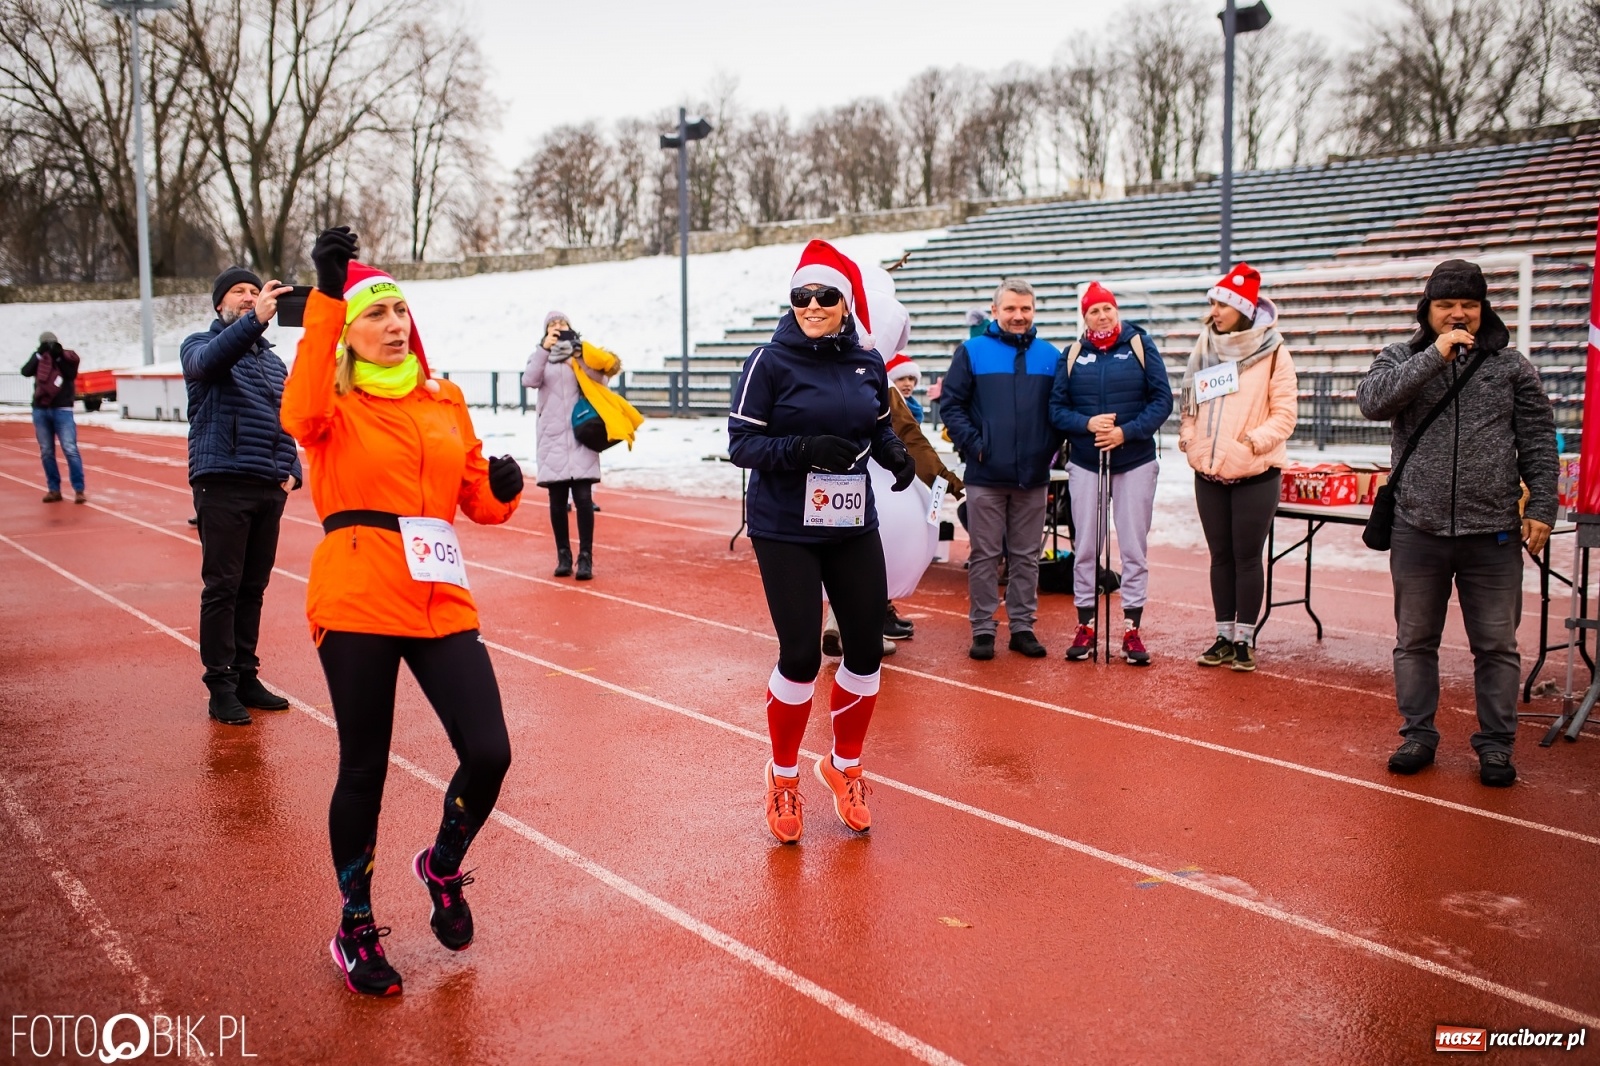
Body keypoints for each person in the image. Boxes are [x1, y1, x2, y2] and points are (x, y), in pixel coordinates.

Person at [280, 228, 525, 997]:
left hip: (438, 591)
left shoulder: (443, 399)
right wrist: (324, 296)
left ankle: (441, 865)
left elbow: (479, 502)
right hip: (356, 588)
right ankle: (355, 924)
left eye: (400, 312)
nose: (394, 325)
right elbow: (298, 410)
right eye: (376, 315)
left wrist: (508, 486)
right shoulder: (332, 403)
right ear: (347, 333)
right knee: (365, 765)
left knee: (489, 752)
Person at [729, 239, 916, 844]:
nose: (812, 305)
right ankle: (783, 776)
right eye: (801, 296)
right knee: (802, 657)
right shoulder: (769, 361)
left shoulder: (865, 362)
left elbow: (878, 423)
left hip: (849, 518)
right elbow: (742, 446)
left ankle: (843, 764)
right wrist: (803, 450)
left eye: (825, 296)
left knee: (865, 649)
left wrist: (894, 456)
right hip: (785, 525)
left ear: (845, 303)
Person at [1357, 259, 1557, 788]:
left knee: (1497, 644)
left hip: (1491, 531)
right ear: (1428, 310)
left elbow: (1538, 441)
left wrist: (1540, 509)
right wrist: (1433, 357)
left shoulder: (1510, 366)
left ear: (1484, 308)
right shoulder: (1401, 356)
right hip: (1416, 527)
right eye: (1446, 305)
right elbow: (1372, 402)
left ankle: (1495, 746)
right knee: (1415, 639)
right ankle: (1417, 734)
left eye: (1468, 304)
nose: (1458, 314)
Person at [181, 266, 302, 725]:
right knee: (223, 587)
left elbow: (287, 417)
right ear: (219, 304)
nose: (250, 296)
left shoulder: (273, 362)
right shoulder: (198, 345)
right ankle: (220, 685)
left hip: (267, 486)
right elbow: (208, 364)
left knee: (253, 587)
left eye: (255, 290)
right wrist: (255, 321)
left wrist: (290, 469)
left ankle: (246, 674)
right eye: (240, 291)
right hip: (222, 481)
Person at [1178, 264, 1297, 674]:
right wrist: (1191, 442)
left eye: (1220, 303)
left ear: (1240, 307)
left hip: (1255, 472)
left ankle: (1245, 640)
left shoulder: (1275, 350)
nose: (1213, 310)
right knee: (1220, 557)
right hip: (1207, 472)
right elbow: (1189, 404)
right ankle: (1223, 635)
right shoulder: (1205, 345)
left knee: (1247, 558)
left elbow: (1285, 413)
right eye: (1211, 302)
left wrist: (1252, 443)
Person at [939, 278, 1063, 660]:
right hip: (985, 475)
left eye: (1025, 309)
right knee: (984, 555)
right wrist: (977, 448)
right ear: (995, 311)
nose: (1018, 316)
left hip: (1033, 476)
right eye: (1010, 309)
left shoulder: (1051, 355)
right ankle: (983, 628)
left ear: (1034, 311)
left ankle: (1023, 627)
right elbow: (951, 406)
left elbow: (1058, 412)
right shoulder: (972, 351)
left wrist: (1048, 452)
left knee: (1027, 556)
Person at [1050, 282, 1173, 665]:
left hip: (1134, 460)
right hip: (1087, 461)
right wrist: (1087, 424)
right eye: (1093, 311)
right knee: (1086, 546)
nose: (1102, 316)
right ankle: (1085, 625)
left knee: (1134, 549)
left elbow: (1162, 400)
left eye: (1107, 309)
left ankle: (1132, 629)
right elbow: (1056, 410)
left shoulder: (1139, 346)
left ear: (1116, 311)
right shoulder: (1071, 355)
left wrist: (1126, 432)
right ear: (1084, 317)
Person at [522, 313, 626, 580]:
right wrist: (543, 349)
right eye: (552, 325)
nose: (558, 328)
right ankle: (563, 556)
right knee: (557, 501)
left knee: (583, 499)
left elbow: (600, 380)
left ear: (571, 328)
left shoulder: (581, 356)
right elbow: (529, 380)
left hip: (581, 435)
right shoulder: (540, 358)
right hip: (552, 437)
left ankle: (586, 558)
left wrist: (579, 357)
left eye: (562, 324)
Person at [22, 331, 85, 504]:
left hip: (62, 409)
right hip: (41, 409)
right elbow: (25, 371)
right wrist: (38, 354)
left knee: (70, 449)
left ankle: (79, 489)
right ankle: (53, 489)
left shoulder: (66, 358)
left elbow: (70, 374)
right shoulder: (39, 359)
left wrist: (58, 357)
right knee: (47, 451)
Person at [886, 353, 925, 424]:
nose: (907, 383)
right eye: (901, 379)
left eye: (911, 379)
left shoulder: (915, 407)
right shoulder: (886, 408)